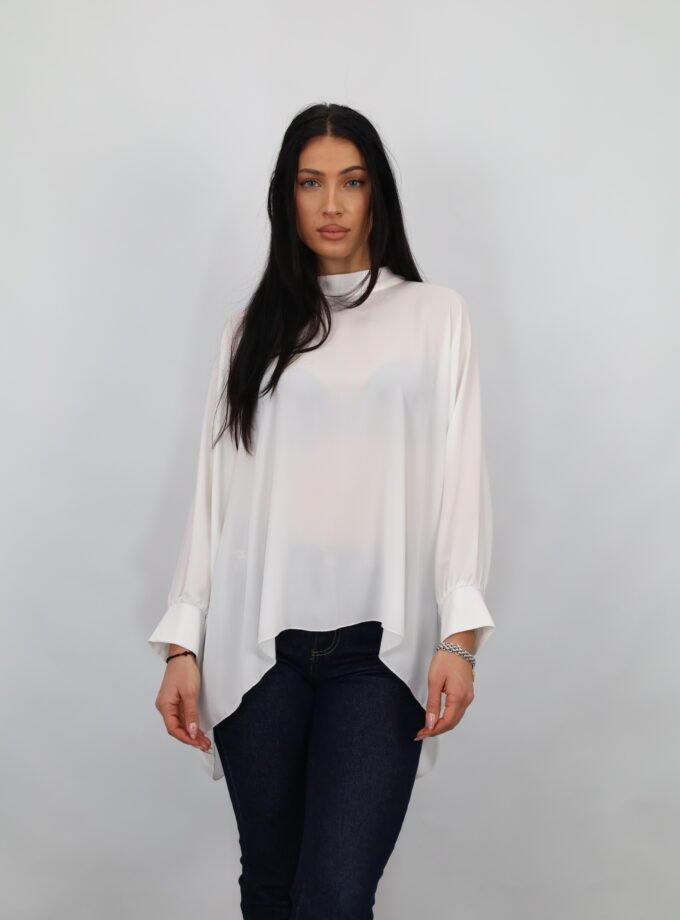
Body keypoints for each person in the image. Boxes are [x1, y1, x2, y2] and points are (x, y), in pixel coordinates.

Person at [148, 102, 496, 919]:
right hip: (258, 646)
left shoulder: (436, 315)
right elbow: (214, 493)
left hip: (380, 649)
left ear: (378, 195)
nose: (332, 204)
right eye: (311, 183)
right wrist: (182, 643)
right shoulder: (249, 331)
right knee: (271, 887)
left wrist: (461, 637)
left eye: (352, 182)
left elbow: (463, 478)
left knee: (334, 896)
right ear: (287, 197)